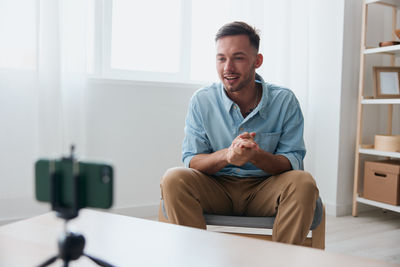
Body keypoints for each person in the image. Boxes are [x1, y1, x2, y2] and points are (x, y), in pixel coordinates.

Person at [159, 21, 319, 245]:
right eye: (221, 58)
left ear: (257, 61)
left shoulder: (285, 100)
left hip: (265, 190)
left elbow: (291, 161)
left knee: (303, 182)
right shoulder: (202, 100)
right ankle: (195, 258)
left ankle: (281, 260)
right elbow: (192, 160)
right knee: (174, 178)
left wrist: (255, 155)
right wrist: (228, 155)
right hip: (217, 188)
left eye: (238, 57)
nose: (228, 68)